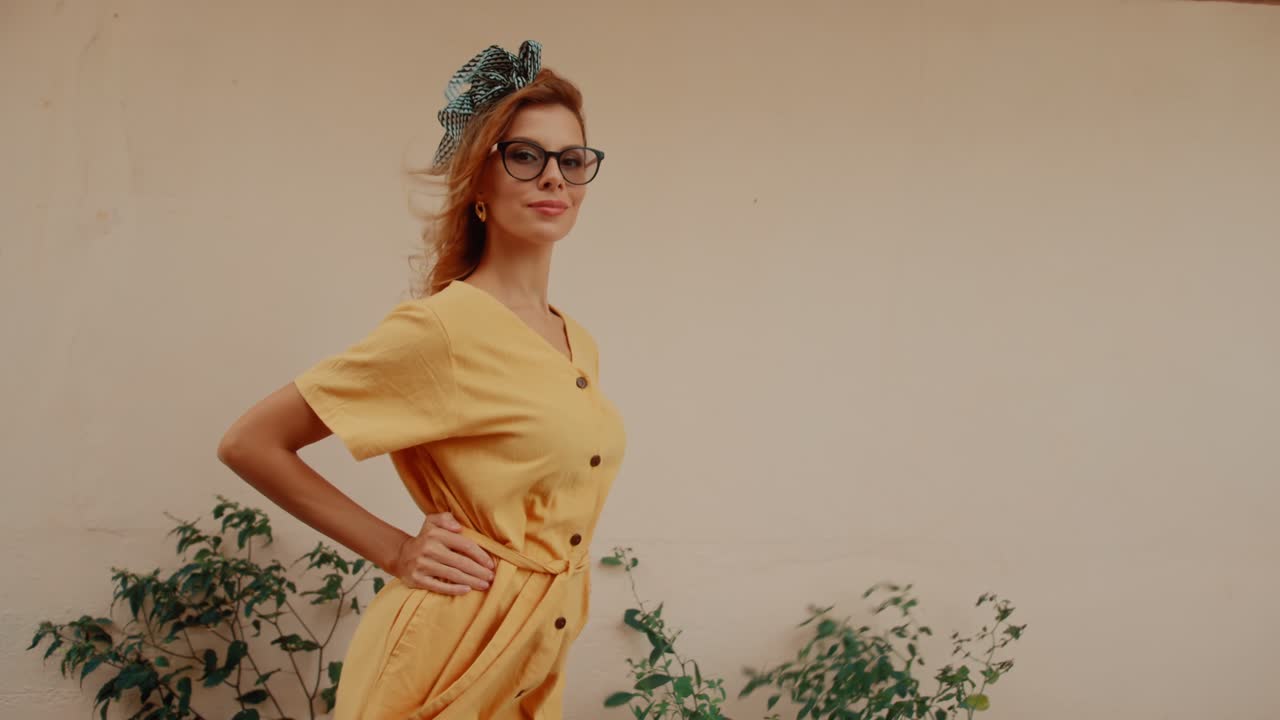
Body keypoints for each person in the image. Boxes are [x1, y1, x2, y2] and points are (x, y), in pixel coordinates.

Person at [216, 40, 626, 719]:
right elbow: (250, 443)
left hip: (528, 662)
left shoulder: (575, 341)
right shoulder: (442, 330)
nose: (554, 177)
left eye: (572, 160)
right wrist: (397, 549)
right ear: (479, 184)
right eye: (525, 156)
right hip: (440, 661)